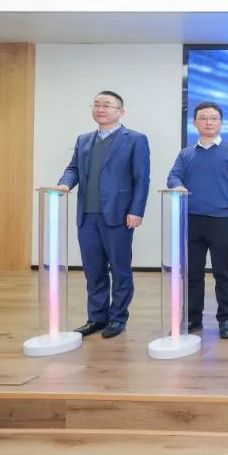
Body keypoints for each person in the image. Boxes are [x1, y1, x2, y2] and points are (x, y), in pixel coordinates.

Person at [52, 90, 150, 339]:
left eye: (106, 105)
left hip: (119, 215)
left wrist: (136, 210)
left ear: (121, 111)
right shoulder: (84, 139)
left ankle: (118, 318)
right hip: (87, 215)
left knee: (120, 269)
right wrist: (64, 184)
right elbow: (73, 168)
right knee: (93, 270)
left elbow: (141, 179)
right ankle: (96, 317)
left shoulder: (135, 139)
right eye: (96, 104)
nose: (100, 109)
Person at [167, 101, 228, 339]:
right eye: (203, 118)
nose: (208, 122)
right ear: (194, 123)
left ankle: (226, 319)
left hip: (221, 220)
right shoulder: (186, 153)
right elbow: (173, 177)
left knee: (223, 273)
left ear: (221, 123)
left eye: (213, 118)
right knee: (192, 273)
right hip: (191, 220)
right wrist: (177, 185)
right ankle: (193, 319)